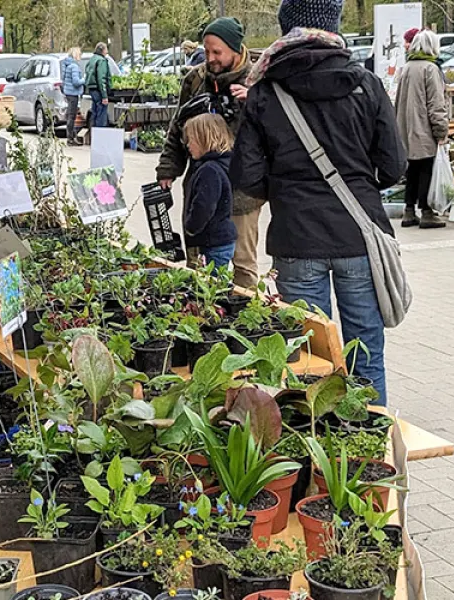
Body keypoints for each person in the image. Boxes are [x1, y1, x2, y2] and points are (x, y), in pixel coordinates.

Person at [231, 1, 407, 405]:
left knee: (309, 356)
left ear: (285, 28)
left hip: (296, 237)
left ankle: (316, 451)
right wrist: (361, 184)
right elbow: (394, 166)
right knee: (365, 350)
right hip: (357, 237)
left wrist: (286, 188)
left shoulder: (265, 91)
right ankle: (369, 447)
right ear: (333, 24)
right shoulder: (365, 83)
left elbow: (246, 178)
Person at [157, 17, 258, 287]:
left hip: (243, 190)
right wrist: (168, 168)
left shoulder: (258, 79)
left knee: (242, 265)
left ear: (236, 50)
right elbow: (177, 127)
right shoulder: (195, 79)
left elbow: (276, 128)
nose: (210, 58)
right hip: (202, 183)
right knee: (199, 264)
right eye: (207, 50)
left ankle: (245, 318)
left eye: (217, 52)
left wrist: (253, 100)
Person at [394, 30, 449, 229]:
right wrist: (441, 131)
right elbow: (436, 103)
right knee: (426, 168)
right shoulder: (430, 69)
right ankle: (426, 211)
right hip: (423, 128)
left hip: (405, 127)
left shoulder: (407, 67)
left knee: (412, 170)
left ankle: (409, 210)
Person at [182, 114, 237, 270]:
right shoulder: (222, 163)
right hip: (221, 239)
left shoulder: (209, 171)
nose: (188, 145)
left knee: (212, 286)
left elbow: (204, 205)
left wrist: (191, 227)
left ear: (204, 139)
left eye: (191, 140)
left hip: (213, 241)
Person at [61, 47, 86, 145]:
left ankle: (72, 136)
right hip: (73, 93)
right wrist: (84, 79)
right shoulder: (74, 67)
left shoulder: (68, 65)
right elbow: (76, 82)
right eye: (79, 54)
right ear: (75, 55)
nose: (80, 56)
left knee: (70, 115)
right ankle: (70, 138)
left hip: (68, 92)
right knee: (72, 116)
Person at [84, 43, 112, 128]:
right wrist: (104, 95)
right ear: (102, 50)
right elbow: (101, 78)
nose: (107, 50)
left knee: (95, 111)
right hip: (98, 90)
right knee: (102, 112)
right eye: (106, 49)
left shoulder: (92, 59)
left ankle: (93, 131)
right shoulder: (101, 60)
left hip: (92, 89)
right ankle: (101, 133)